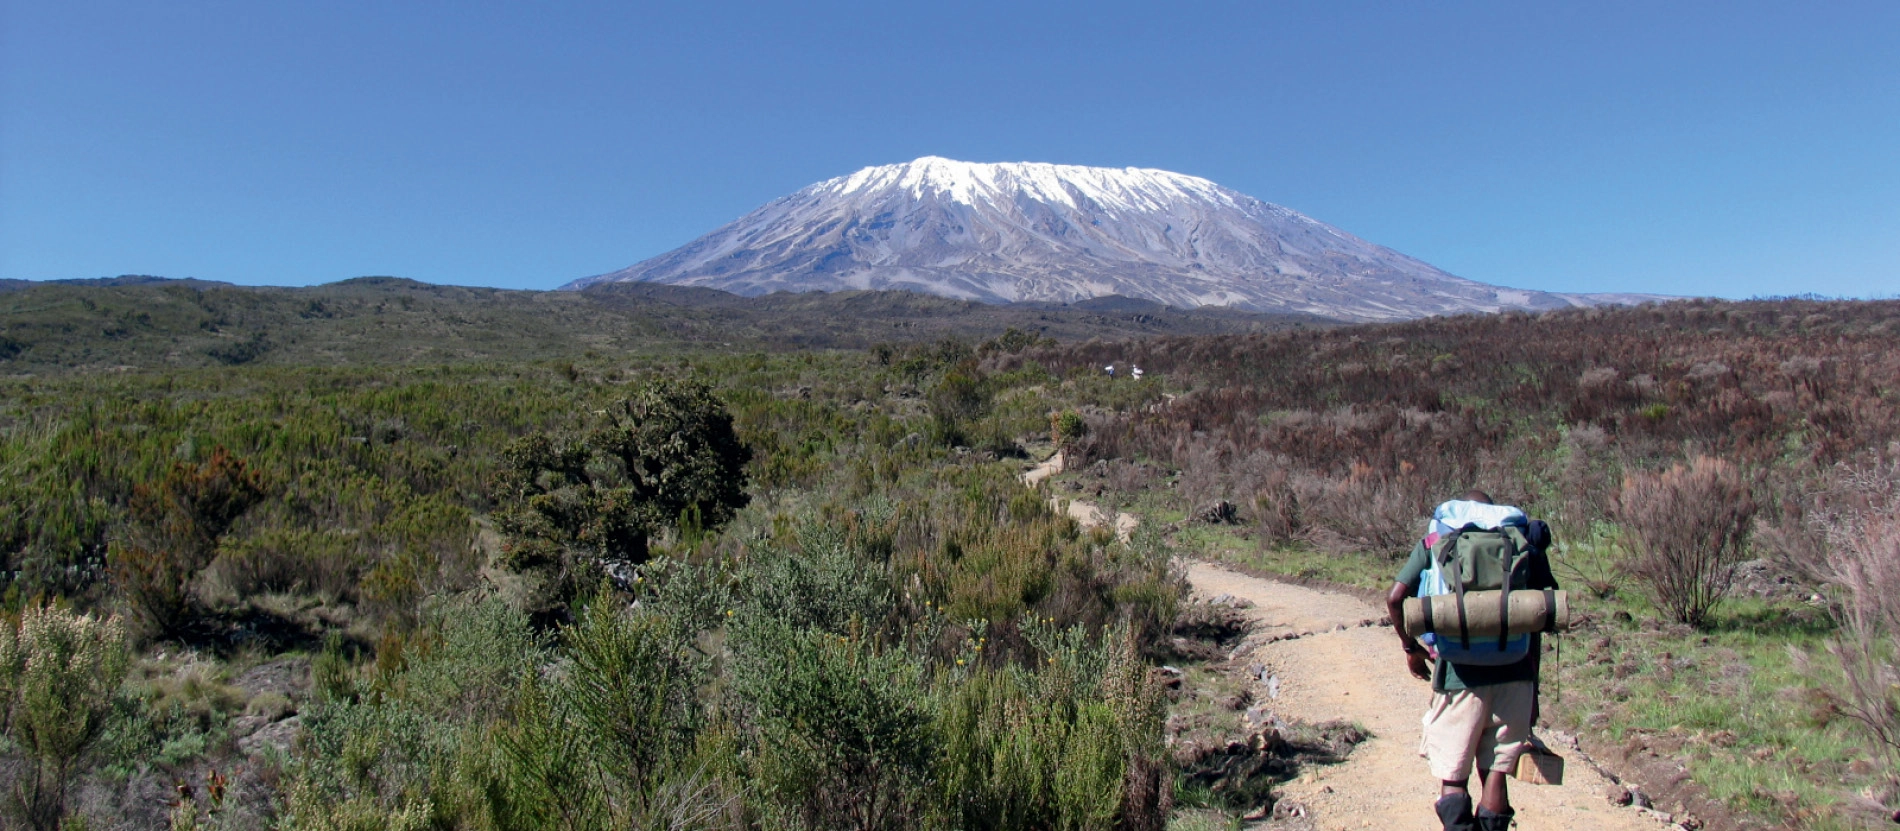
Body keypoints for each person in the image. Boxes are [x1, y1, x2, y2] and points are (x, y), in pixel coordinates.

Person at [1386, 490, 1558, 831]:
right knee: (1496, 769)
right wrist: (1533, 692)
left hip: (1457, 676)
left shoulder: (1437, 539)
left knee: (1453, 773)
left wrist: (1411, 649)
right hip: (1516, 673)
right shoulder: (1522, 543)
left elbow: (1394, 599)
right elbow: (1538, 619)